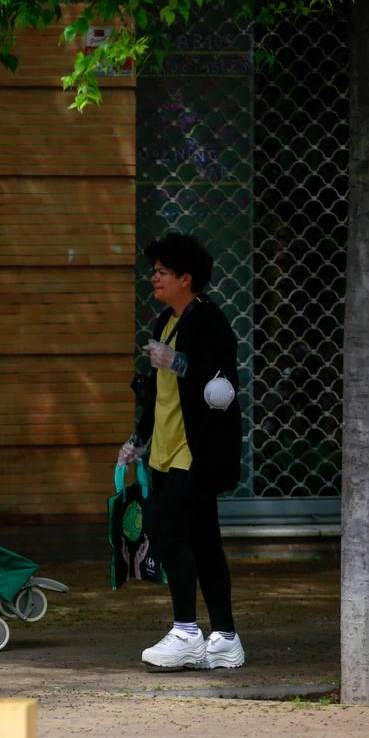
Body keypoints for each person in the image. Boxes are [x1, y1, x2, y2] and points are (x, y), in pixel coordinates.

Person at [119, 232, 245, 670]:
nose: (153, 278)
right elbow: (160, 393)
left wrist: (178, 363)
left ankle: (188, 631)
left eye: (162, 272)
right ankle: (226, 639)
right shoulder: (165, 322)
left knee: (169, 531)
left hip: (196, 452)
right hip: (167, 450)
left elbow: (219, 383)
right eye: (154, 271)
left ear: (186, 278)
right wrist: (138, 439)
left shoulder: (207, 319)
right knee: (204, 542)